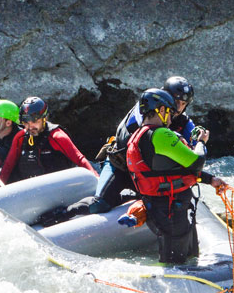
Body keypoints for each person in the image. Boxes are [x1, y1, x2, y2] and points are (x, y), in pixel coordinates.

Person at [125, 88, 226, 264]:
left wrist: (210, 179)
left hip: (161, 205)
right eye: (169, 113)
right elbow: (196, 161)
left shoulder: (138, 135)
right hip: (172, 207)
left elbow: (171, 171)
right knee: (176, 261)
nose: (171, 118)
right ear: (161, 110)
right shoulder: (161, 134)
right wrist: (201, 142)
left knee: (187, 256)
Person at [89, 75, 208, 214]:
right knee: (99, 205)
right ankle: (66, 212)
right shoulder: (146, 110)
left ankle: (136, 199)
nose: (178, 107)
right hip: (121, 166)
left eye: (183, 103)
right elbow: (143, 136)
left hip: (149, 174)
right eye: (175, 100)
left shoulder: (185, 123)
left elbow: (194, 155)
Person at [0, 96, 98, 183]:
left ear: (44, 119)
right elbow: (8, 166)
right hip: (34, 191)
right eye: (26, 123)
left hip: (61, 189)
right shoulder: (20, 137)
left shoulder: (57, 137)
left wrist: (96, 179)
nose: (30, 127)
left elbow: (80, 159)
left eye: (35, 122)